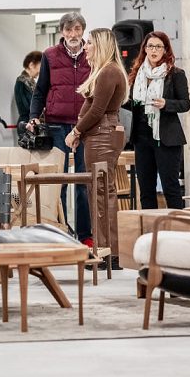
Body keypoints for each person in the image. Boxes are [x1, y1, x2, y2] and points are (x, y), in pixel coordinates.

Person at [28, 12, 93, 244]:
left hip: (85, 125)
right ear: (62, 31)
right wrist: (33, 116)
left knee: (84, 182)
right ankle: (61, 233)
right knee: (59, 183)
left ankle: (85, 236)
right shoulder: (50, 55)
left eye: (77, 29)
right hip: (56, 125)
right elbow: (41, 90)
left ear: (82, 30)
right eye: (68, 30)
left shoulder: (92, 53)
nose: (73, 34)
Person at [65, 28, 128, 255]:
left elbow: (97, 111)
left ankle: (108, 250)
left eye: (90, 42)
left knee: (101, 193)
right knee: (100, 192)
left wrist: (76, 131)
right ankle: (107, 249)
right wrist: (81, 133)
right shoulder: (104, 71)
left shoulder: (108, 72)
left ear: (101, 45)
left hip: (102, 135)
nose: (85, 47)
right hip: (99, 134)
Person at [123, 30, 189, 209]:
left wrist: (167, 103)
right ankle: (149, 226)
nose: (154, 50)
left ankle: (177, 225)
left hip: (166, 138)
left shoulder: (175, 74)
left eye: (158, 47)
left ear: (165, 50)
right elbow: (135, 104)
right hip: (141, 138)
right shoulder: (138, 74)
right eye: (150, 46)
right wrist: (121, 100)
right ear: (144, 49)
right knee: (146, 190)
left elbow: (185, 104)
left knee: (170, 188)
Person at [12, 50, 42, 128]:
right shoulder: (22, 82)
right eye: (40, 66)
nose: (40, 71)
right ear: (31, 65)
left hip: (30, 123)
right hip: (26, 124)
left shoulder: (29, 82)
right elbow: (30, 106)